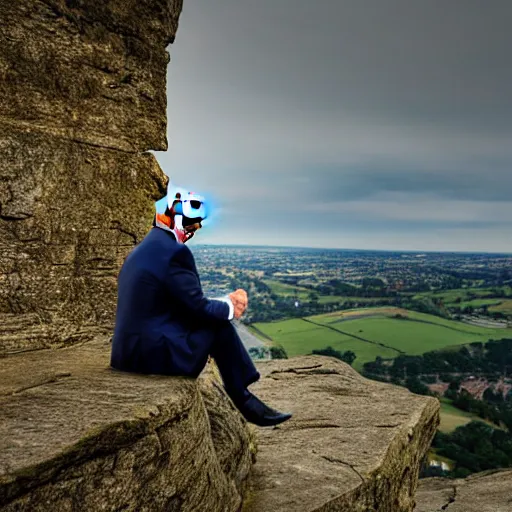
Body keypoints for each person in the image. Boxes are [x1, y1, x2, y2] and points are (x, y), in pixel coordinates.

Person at [111, 184, 292, 427]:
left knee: (215, 320)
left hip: (127, 354)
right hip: (152, 356)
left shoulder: (142, 250)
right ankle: (244, 400)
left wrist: (223, 303)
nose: (196, 227)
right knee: (220, 326)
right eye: (190, 221)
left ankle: (246, 398)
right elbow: (198, 307)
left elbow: (179, 304)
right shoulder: (174, 252)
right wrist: (231, 307)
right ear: (172, 216)